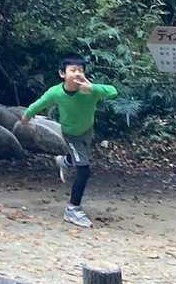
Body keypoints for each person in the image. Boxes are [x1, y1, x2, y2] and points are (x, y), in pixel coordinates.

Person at [21, 54, 118, 228]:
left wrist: (93, 88)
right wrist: (27, 115)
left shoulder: (90, 91)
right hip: (71, 134)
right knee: (84, 169)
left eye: (80, 70)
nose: (77, 73)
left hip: (87, 131)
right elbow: (40, 103)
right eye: (73, 70)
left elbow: (113, 91)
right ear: (62, 74)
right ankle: (73, 209)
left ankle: (64, 161)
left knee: (79, 158)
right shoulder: (56, 92)